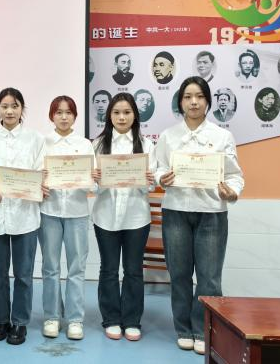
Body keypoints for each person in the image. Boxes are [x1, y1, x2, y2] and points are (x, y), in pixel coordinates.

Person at [155, 76, 244, 356]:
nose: (193, 102)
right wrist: (162, 178)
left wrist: (232, 192)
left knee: (209, 279)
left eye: (199, 96)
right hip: (176, 212)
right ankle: (183, 328)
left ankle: (204, 329)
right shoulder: (168, 136)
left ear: (207, 101)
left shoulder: (222, 136)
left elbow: (235, 175)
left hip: (212, 213)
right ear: (180, 102)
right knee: (179, 275)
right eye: (187, 97)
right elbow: (158, 168)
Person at [91, 93, 156, 342]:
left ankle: (132, 320)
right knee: (108, 269)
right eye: (116, 112)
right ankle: (111, 318)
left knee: (133, 270)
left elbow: (150, 186)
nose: (121, 117)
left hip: (136, 217)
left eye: (127, 112)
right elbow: (92, 187)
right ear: (109, 115)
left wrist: (148, 180)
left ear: (135, 115)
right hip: (105, 216)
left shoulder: (146, 145)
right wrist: (96, 179)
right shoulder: (98, 145)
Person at [0, 88, 45, 346]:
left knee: (23, 274)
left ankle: (20, 322)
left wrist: (35, 185)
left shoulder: (35, 138)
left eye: (15, 106)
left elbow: (41, 172)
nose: (9, 111)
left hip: (26, 216)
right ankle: (2, 320)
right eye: (4, 106)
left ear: (22, 109)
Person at [39, 96, 94, 341]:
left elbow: (93, 183)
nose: (63, 117)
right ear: (52, 115)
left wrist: (90, 178)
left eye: (68, 112)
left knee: (76, 267)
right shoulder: (43, 143)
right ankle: (52, 316)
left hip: (77, 212)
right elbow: (35, 176)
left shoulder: (85, 145)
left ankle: (75, 319)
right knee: (50, 267)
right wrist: (39, 182)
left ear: (75, 116)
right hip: (49, 211)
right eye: (59, 112)